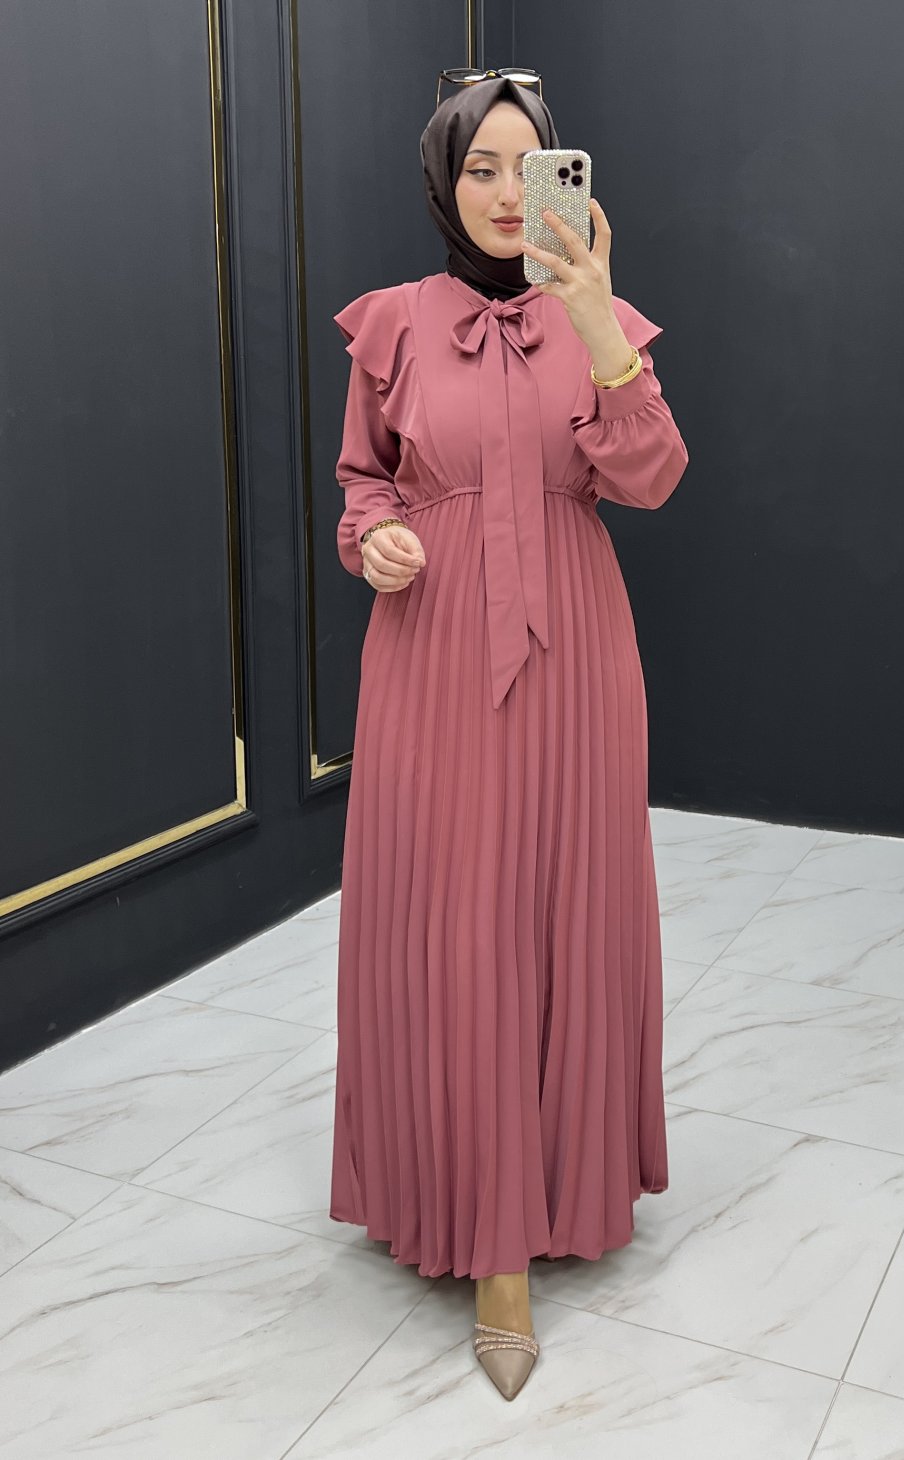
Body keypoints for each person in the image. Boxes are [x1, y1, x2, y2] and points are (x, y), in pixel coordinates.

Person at [328, 73, 689, 1401]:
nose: (499, 191)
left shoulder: (599, 317)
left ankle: (564, 1185)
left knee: (568, 909)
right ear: (444, 179)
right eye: (478, 165)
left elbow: (651, 476)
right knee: (453, 923)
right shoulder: (392, 324)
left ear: (561, 183)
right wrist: (375, 539)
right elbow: (363, 481)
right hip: (429, 657)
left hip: (577, 657)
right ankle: (481, 1236)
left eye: (524, 166)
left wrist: (596, 314)